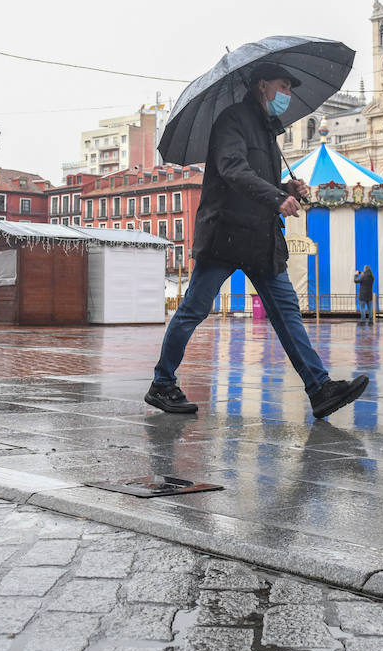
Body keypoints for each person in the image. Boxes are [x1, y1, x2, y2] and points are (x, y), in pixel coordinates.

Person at [145, 62, 369, 419]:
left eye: (291, 88)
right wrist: (277, 198)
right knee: (193, 310)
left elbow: (256, 181)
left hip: (261, 240)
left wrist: (285, 188)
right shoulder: (231, 121)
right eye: (283, 86)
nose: (288, 94)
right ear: (262, 85)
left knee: (287, 313)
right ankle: (162, 383)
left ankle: (319, 388)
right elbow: (234, 170)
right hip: (225, 236)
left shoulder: (268, 129)